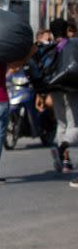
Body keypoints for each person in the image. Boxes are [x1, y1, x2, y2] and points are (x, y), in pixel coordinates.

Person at [47, 19, 78, 180]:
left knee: (61, 124)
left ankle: (61, 157)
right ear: (66, 30)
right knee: (74, 125)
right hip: (70, 89)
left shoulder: (50, 47)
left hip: (54, 89)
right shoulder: (73, 44)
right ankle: (63, 146)